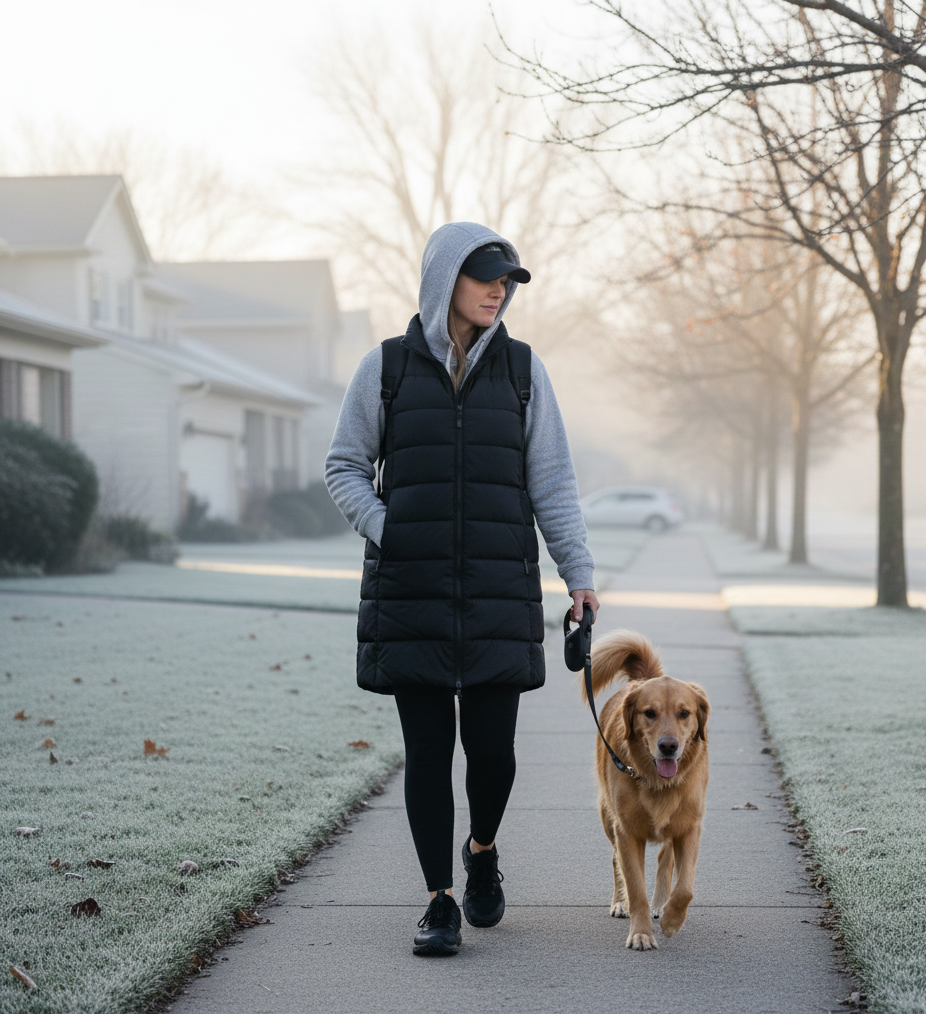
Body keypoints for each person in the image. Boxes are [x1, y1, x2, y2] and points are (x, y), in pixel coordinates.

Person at [325, 222, 598, 956]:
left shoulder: (522, 371)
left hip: (497, 592)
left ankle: (481, 850)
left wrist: (579, 577)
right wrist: (390, 530)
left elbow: (553, 482)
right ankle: (438, 900)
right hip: (409, 593)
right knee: (426, 752)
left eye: (506, 279)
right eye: (486, 276)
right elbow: (344, 466)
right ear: (446, 280)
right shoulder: (383, 369)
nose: (499, 289)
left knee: (494, 752)